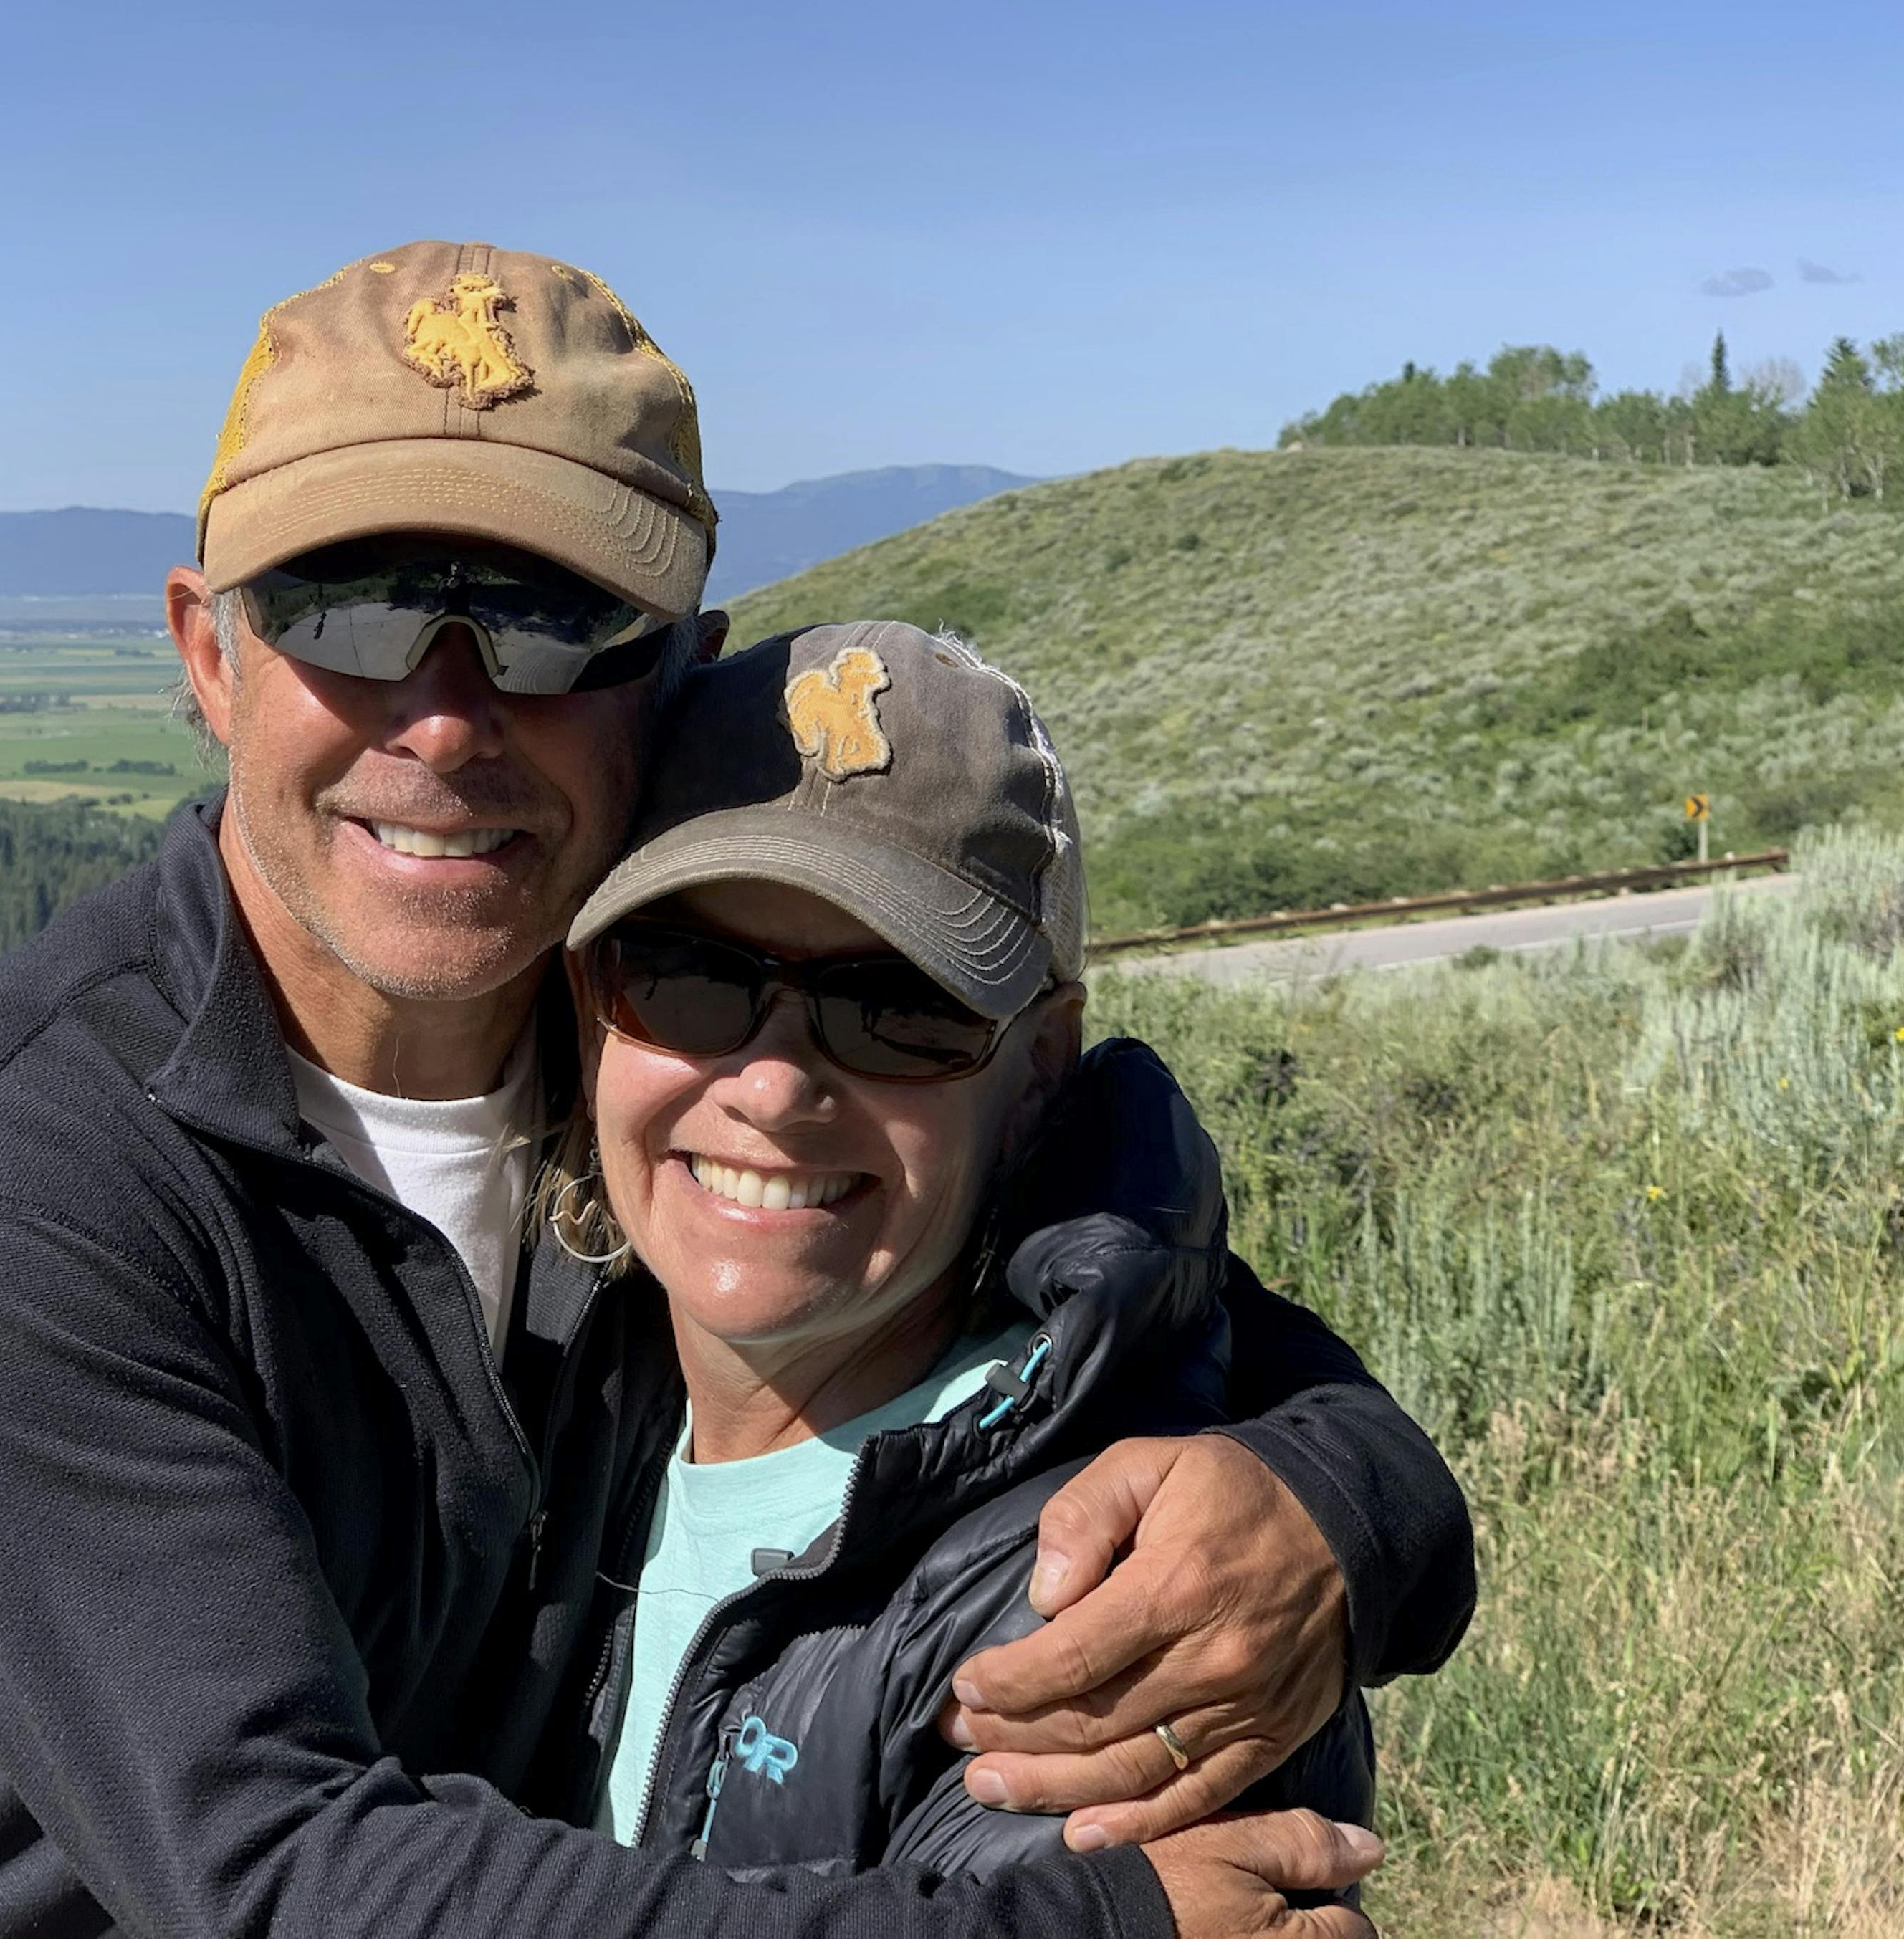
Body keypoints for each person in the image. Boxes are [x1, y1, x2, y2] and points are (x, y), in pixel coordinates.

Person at [0, 240, 1473, 1936]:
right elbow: (280, 1877)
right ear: (206, 653)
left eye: (546, 621)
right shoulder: (2, 1191)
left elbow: (1107, 1272)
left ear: (667, 686)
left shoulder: (643, 1037)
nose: (444, 721)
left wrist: (1350, 1495)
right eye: (347, 604)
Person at [536, 621, 1374, 1886]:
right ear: (593, 1007)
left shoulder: (1117, 1611)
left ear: (1038, 1070)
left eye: (897, 1007)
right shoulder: (547, 1387)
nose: (770, 1084)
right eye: (688, 976)